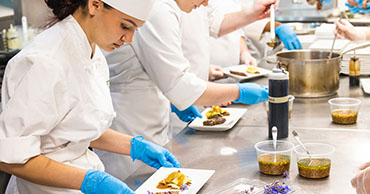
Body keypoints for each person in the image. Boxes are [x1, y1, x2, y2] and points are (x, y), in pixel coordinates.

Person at [0, 0, 181, 194]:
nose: (129, 39)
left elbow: (73, 128)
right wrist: (91, 181)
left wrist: (134, 146)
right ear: (95, 5)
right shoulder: (44, 61)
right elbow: (10, 158)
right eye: (125, 26)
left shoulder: (93, 52)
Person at [97, 0, 272, 181]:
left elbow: (166, 72)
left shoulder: (171, 8)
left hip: (155, 110)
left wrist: (174, 101)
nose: (206, 3)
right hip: (130, 121)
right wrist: (238, 91)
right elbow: (178, 83)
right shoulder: (157, 10)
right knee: (133, 180)